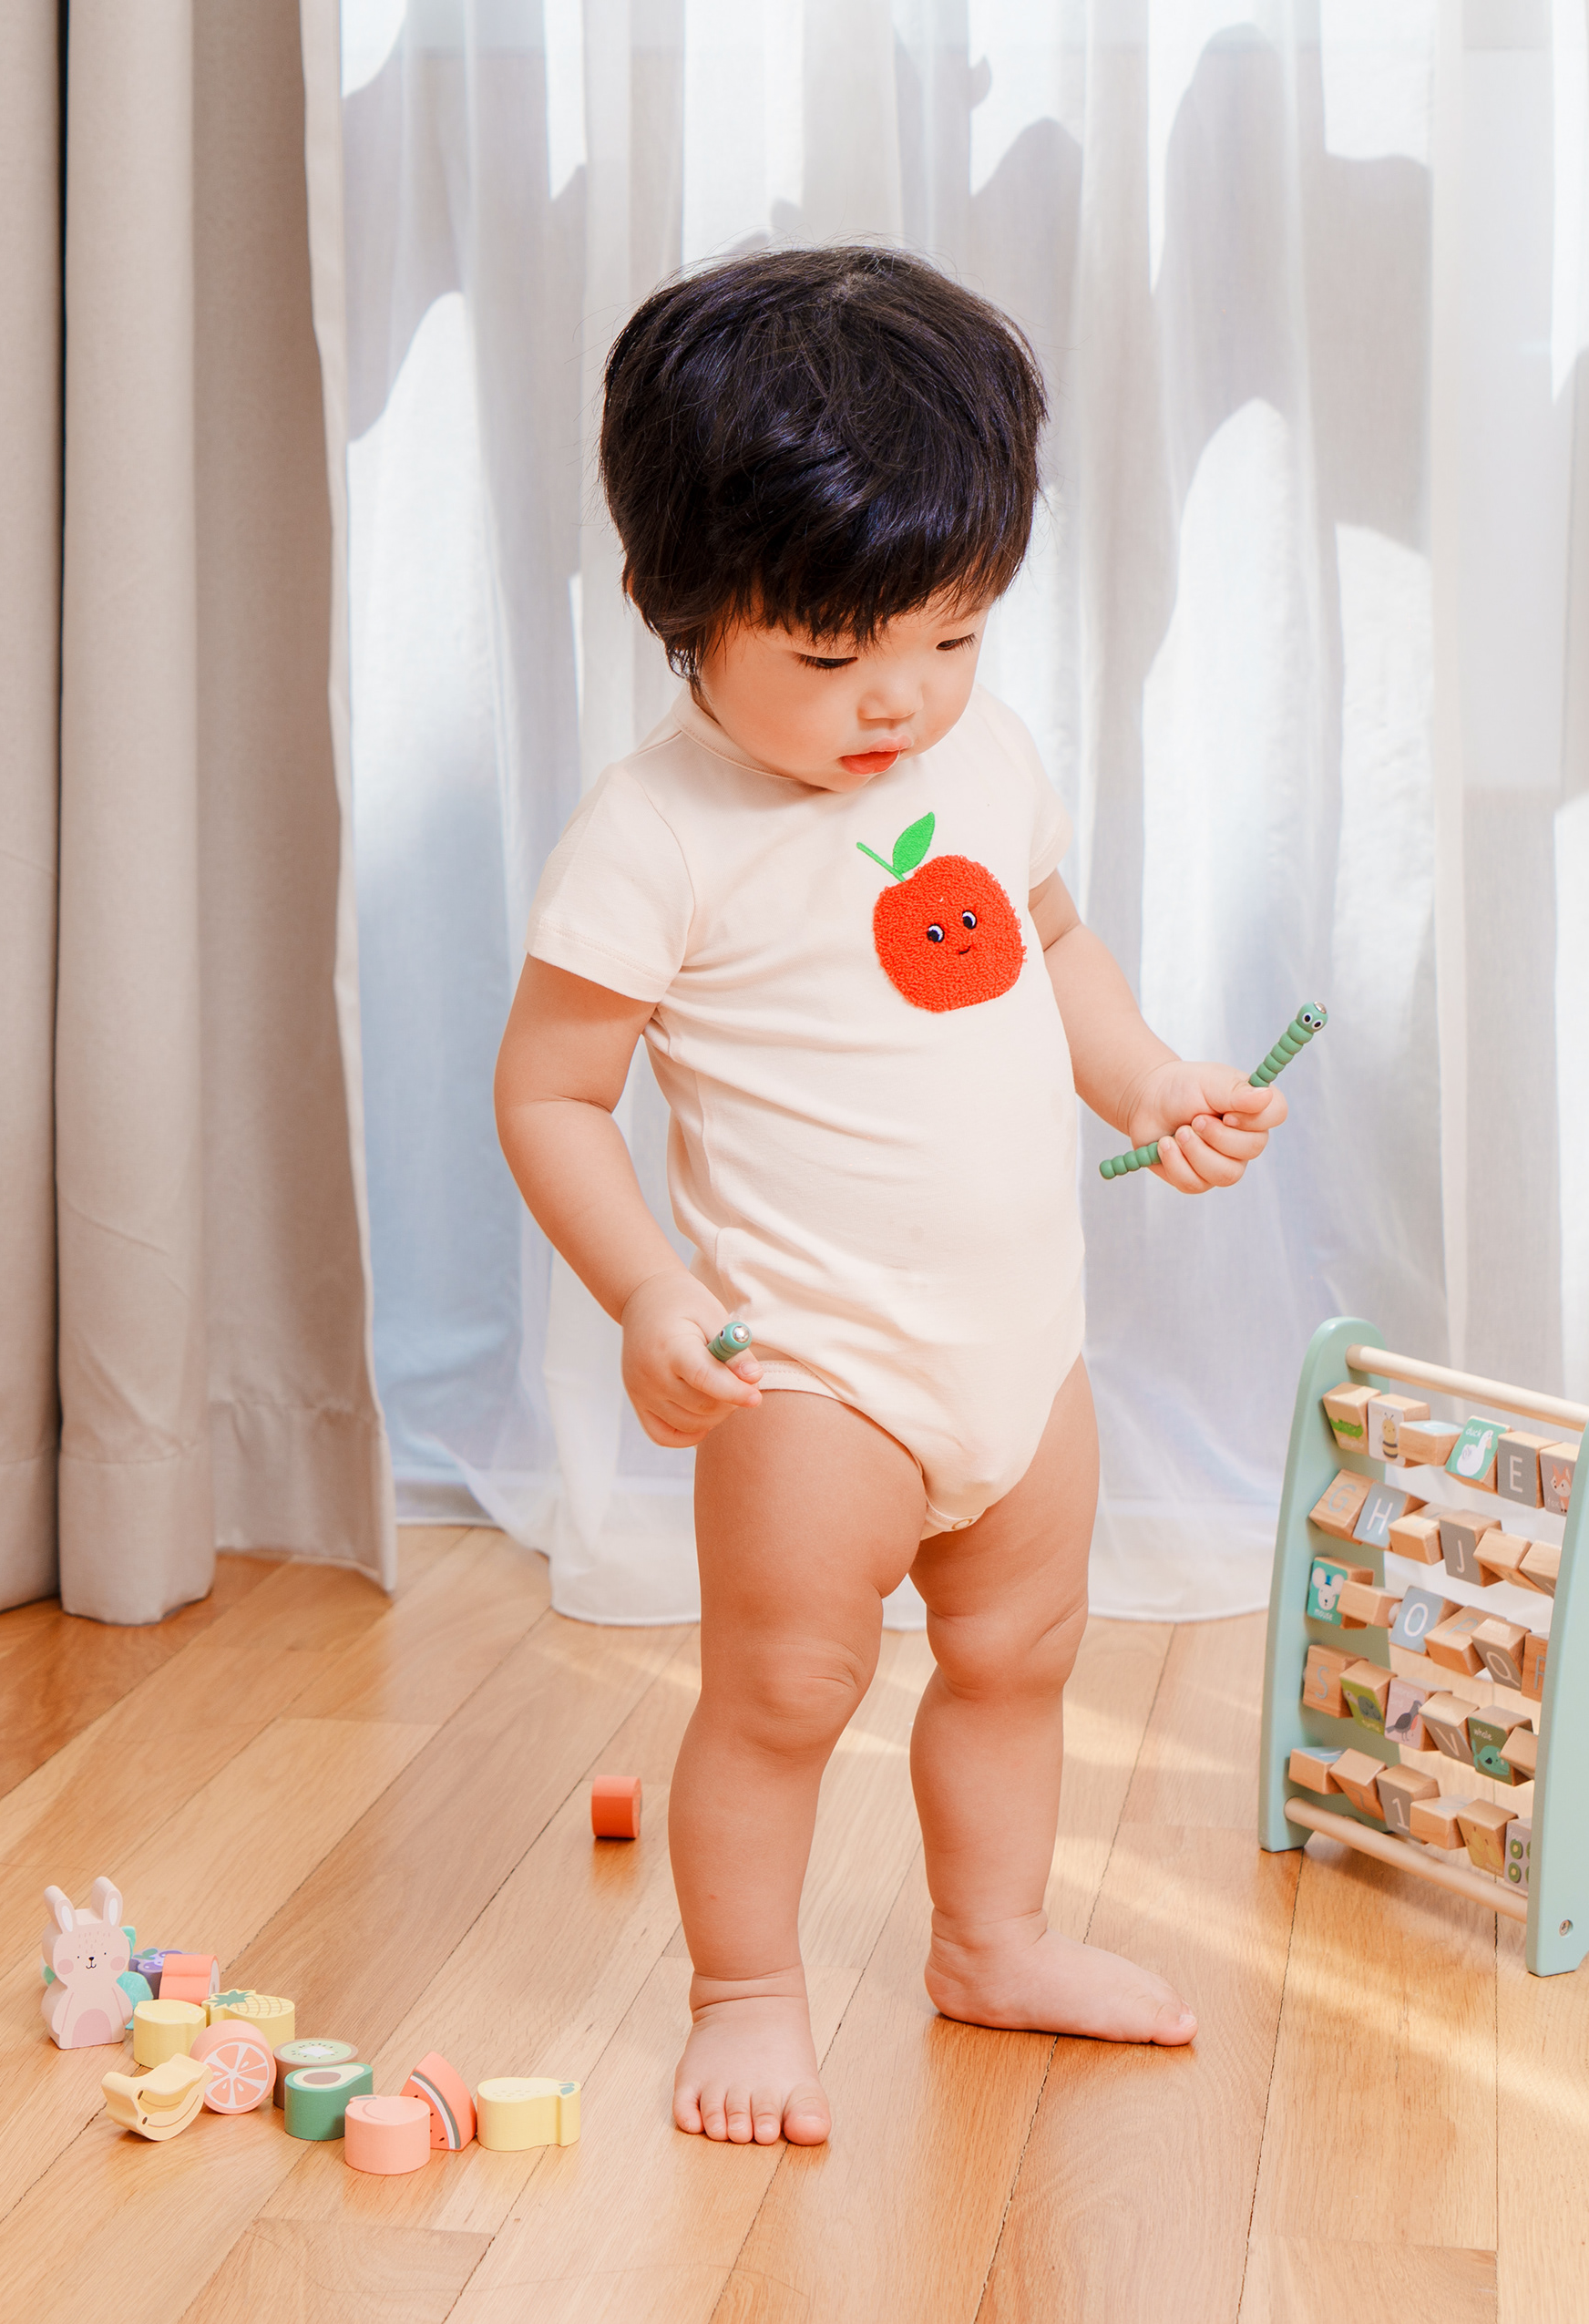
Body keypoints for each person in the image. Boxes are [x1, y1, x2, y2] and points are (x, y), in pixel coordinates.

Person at [494, 245, 1285, 2147]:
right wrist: (649, 1289)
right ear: (681, 609)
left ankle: (991, 1939)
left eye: (952, 637)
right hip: (811, 1369)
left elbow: (1049, 937)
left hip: (1022, 1348)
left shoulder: (978, 755)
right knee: (786, 1689)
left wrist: (1150, 1076)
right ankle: (748, 1992)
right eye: (834, 660)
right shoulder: (657, 835)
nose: (901, 701)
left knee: (1021, 1658)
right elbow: (551, 1092)